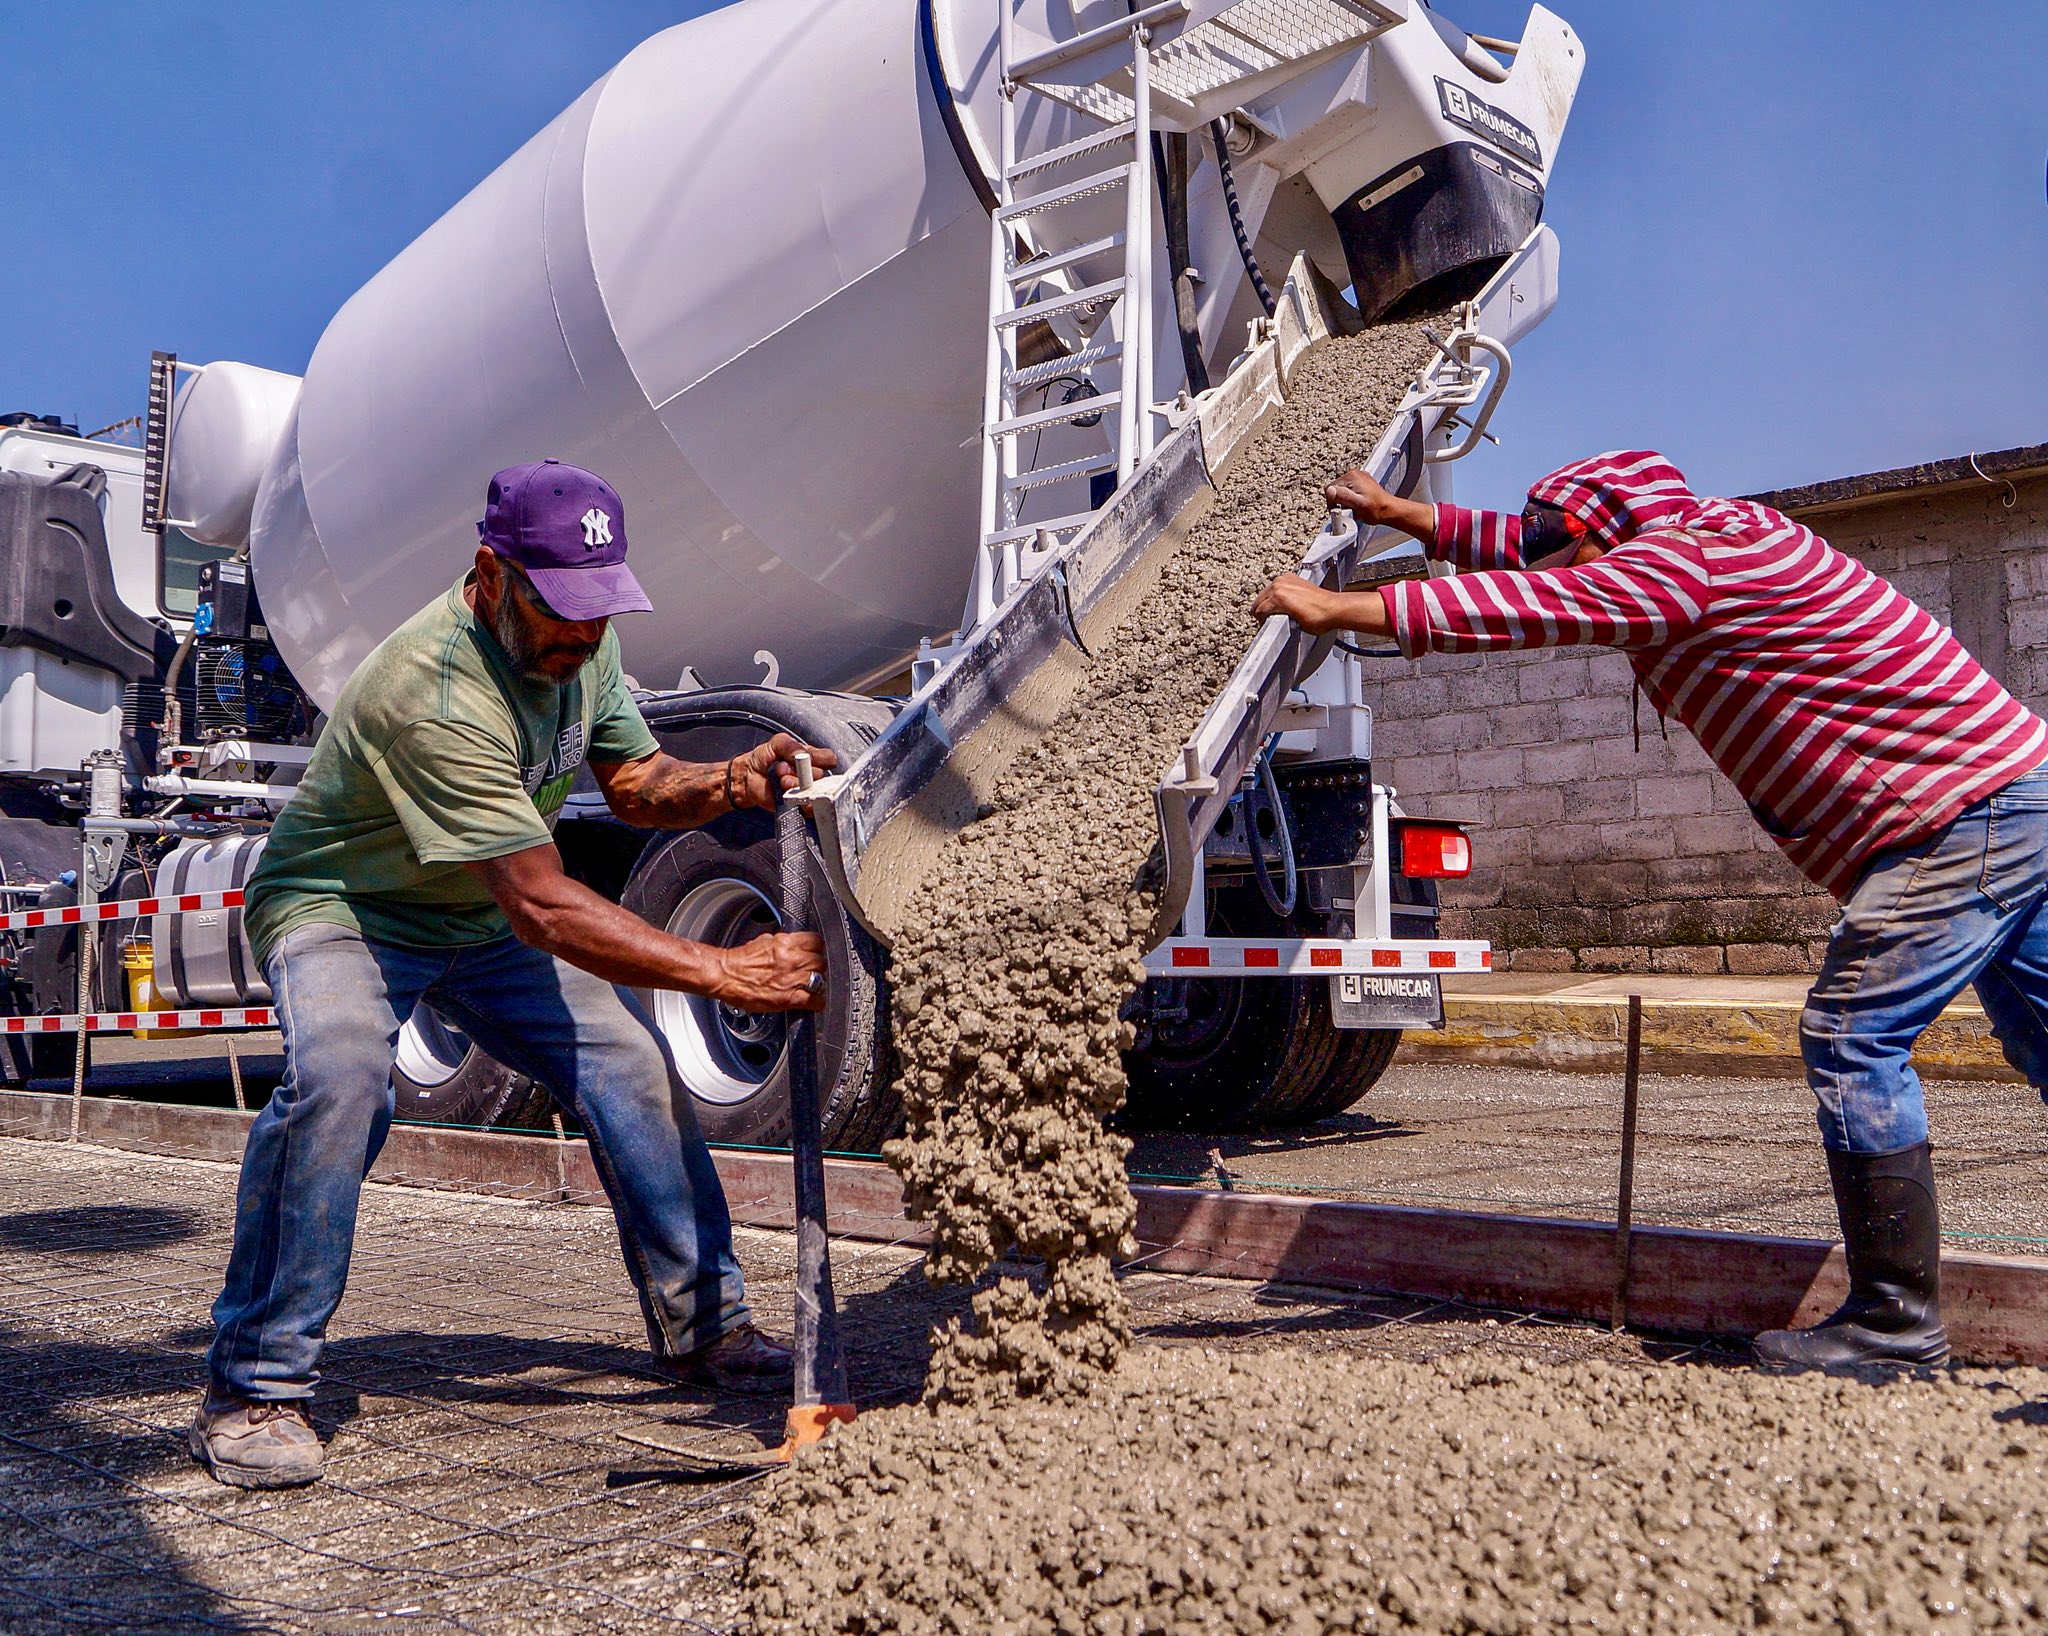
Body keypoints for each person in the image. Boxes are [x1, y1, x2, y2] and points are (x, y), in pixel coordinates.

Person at [1255, 450, 2048, 1371]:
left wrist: (1343, 608)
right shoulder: (1695, 534)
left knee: (1853, 1031)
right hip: (2008, 791)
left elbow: (1544, 604)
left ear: (1610, 531)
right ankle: (1897, 1318)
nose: (1550, 557)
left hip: (1959, 815)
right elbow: (1532, 553)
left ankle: (1895, 1324)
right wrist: (1412, 516)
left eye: (1566, 542)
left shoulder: (1683, 564)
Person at [191, 459, 838, 1489]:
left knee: (627, 1061)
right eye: (559, 614)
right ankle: (253, 1385)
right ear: (491, 574)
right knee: (344, 1081)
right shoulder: (433, 689)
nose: (580, 639)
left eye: (596, 614)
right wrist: (723, 968)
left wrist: (727, 778)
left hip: (472, 912)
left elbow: (632, 784)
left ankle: (703, 1327)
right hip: (347, 908)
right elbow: (541, 903)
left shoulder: (577, 630)